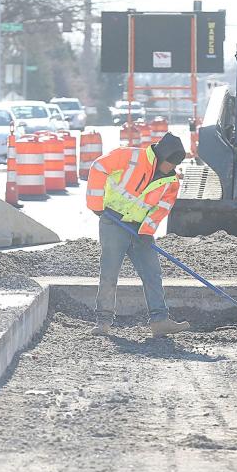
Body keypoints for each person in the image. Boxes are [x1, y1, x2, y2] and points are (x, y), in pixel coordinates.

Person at [85, 133, 191, 337]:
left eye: (174, 164)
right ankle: (103, 322)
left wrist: (146, 231)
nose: (171, 167)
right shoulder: (130, 157)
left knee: (152, 273)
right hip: (113, 222)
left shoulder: (171, 182)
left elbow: (162, 209)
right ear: (161, 156)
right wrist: (96, 205)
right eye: (169, 162)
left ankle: (160, 321)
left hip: (140, 230)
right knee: (109, 273)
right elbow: (99, 167)